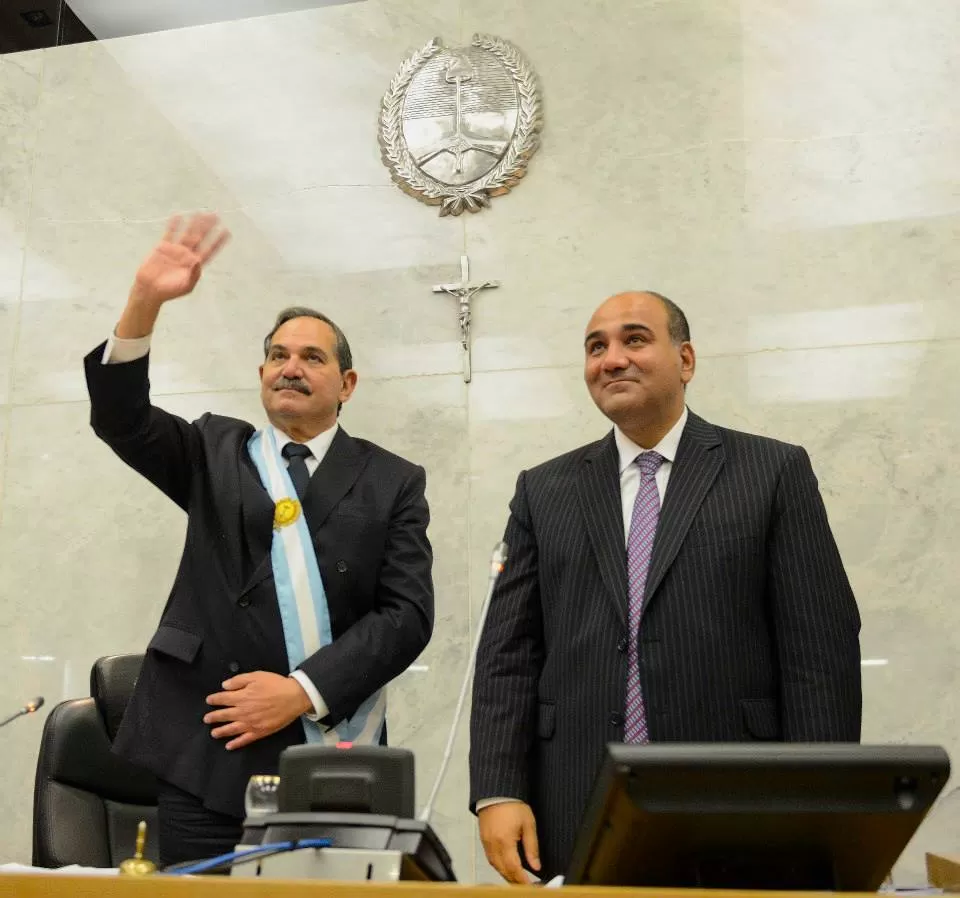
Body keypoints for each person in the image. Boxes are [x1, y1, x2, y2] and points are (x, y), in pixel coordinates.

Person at [469, 290, 862, 883]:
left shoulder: (772, 472)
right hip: (574, 799)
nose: (612, 359)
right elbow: (507, 654)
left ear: (686, 360)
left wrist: (818, 803)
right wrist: (498, 790)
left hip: (741, 799)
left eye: (634, 339)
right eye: (595, 347)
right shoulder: (543, 490)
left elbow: (820, 653)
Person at [84, 212, 434, 867]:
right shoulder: (214, 449)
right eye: (278, 355)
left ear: (346, 384)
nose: (290, 367)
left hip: (329, 755)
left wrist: (301, 691)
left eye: (311, 357)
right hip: (208, 749)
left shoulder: (393, 481)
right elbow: (119, 416)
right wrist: (145, 300)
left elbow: (407, 615)